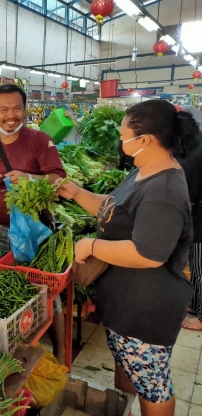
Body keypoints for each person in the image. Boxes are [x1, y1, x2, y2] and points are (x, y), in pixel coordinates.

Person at [56, 100, 197, 416]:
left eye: (124, 136)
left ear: (144, 140)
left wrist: (92, 246)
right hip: (126, 304)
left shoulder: (163, 189)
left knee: (153, 386)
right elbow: (115, 210)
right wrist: (78, 193)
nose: (121, 142)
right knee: (132, 373)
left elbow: (148, 254)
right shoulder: (145, 171)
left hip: (146, 310)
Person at [0, 84, 67, 364]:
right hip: (0, 230)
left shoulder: (39, 140)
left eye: (16, 109)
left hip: (37, 231)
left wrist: (31, 178)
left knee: (47, 294)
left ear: (24, 109)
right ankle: (8, 351)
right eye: (3, 110)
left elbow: (59, 180)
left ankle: (60, 353)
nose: (10, 115)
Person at [179, 105, 202, 331]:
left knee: (201, 267)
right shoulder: (197, 145)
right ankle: (196, 304)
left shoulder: (193, 156)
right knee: (196, 266)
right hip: (198, 217)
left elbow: (190, 197)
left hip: (200, 219)